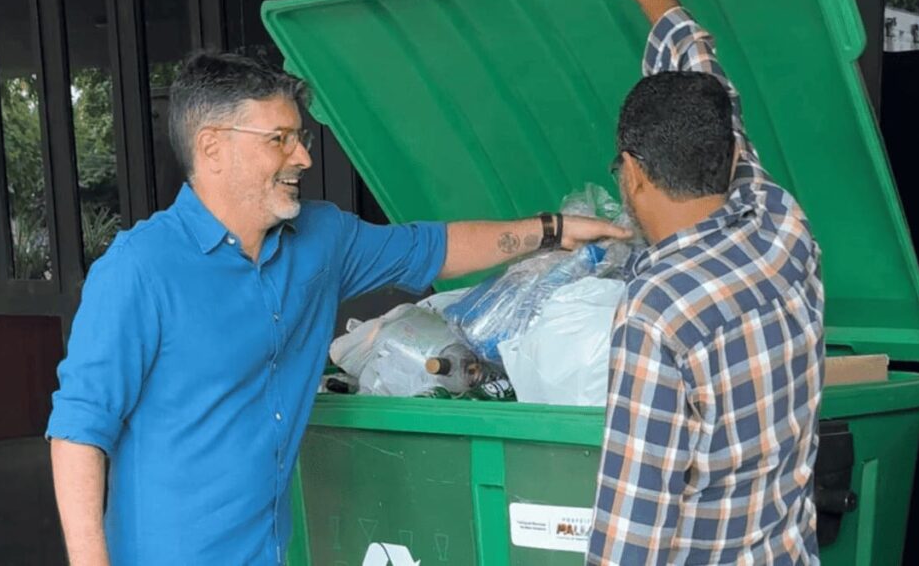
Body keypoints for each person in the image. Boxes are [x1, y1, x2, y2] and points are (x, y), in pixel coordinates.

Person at [46, 51, 630, 566]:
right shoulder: (139, 268)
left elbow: (436, 246)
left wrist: (551, 230)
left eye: (301, 137)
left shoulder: (320, 240)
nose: (302, 156)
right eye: (280, 138)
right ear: (212, 147)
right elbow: (78, 430)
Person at [582, 0, 824, 565]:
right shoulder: (779, 224)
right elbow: (714, 97)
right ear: (727, 154)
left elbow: (633, 529)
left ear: (629, 172)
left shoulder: (658, 311)